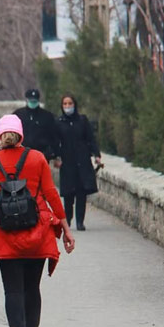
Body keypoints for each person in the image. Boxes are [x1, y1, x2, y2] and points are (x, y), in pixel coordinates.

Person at [0, 115, 75, 327]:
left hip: (5, 235)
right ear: (21, 134)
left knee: (13, 291)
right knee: (33, 289)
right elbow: (52, 194)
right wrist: (65, 227)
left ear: (0, 135)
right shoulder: (37, 158)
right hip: (37, 233)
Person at [55, 94, 102, 231]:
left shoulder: (82, 120)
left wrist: (96, 155)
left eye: (70, 103)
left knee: (81, 193)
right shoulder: (58, 123)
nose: (68, 106)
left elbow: (90, 139)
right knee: (68, 194)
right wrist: (57, 157)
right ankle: (68, 220)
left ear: (74, 105)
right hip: (67, 162)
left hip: (82, 161)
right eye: (65, 104)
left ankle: (80, 221)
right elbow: (55, 142)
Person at [11, 88, 60, 162]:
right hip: (21, 155)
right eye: (31, 100)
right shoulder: (18, 114)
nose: (33, 102)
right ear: (27, 100)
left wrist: (54, 154)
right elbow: (11, 133)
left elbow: (54, 136)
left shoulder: (47, 116)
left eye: (35, 101)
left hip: (42, 155)